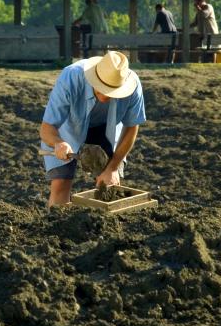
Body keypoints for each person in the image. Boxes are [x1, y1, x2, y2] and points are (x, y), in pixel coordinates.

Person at [39, 50, 146, 208]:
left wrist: (113, 167)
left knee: (109, 185)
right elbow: (47, 128)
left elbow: (131, 128)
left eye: (112, 91)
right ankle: (55, 226)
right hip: (69, 127)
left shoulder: (133, 86)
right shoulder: (71, 77)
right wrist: (58, 143)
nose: (105, 95)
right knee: (61, 182)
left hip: (106, 128)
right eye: (101, 88)